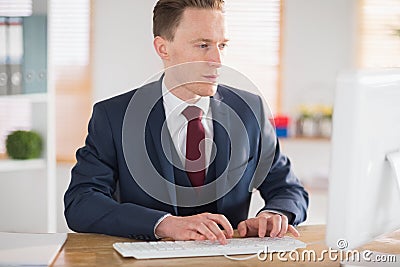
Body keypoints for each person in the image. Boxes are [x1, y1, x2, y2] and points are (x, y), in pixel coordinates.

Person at [64, 0, 308, 245]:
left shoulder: (250, 111)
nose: (218, 60)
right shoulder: (113, 116)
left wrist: (275, 214)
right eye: (203, 45)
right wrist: (163, 223)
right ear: (163, 48)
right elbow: (81, 202)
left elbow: (288, 190)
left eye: (222, 45)